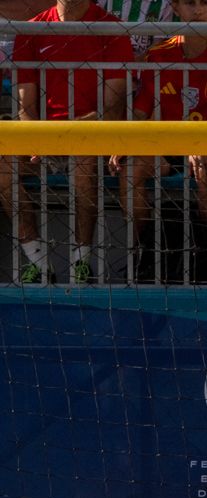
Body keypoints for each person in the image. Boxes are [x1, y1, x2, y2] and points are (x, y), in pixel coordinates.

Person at [2, 0, 132, 286]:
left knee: (84, 165)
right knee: (2, 164)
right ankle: (37, 262)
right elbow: (25, 102)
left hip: (89, 132)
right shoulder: (33, 28)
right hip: (43, 135)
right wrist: (39, 138)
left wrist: (67, 134)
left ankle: (80, 263)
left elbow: (112, 104)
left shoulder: (111, 28)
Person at [115, 0, 207, 285]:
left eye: (205, 3)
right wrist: (129, 142)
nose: (197, 9)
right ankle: (147, 255)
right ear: (175, 7)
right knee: (129, 172)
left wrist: (199, 145)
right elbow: (140, 111)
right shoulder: (158, 53)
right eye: (190, 3)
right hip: (166, 144)